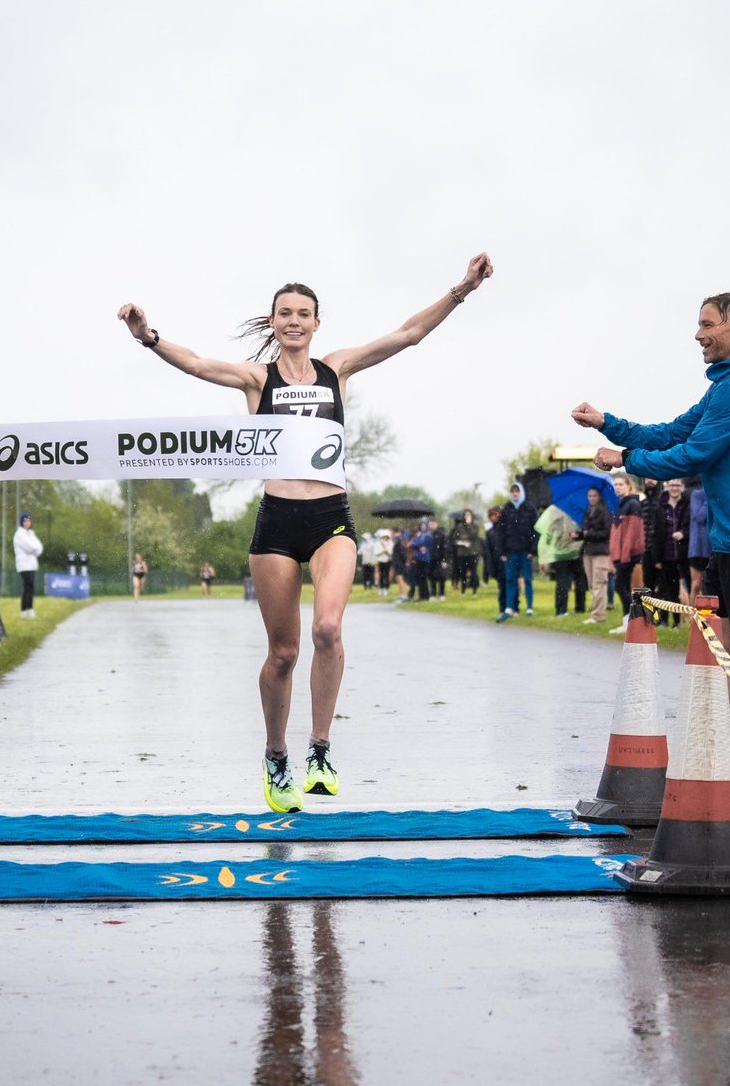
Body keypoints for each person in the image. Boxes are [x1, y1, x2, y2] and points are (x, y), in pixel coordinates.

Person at [118, 251, 494, 812]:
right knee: (284, 652)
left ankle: (320, 749)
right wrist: (148, 336)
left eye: (304, 313)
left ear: (317, 323)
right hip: (276, 522)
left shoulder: (336, 370)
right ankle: (276, 756)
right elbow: (196, 363)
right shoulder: (256, 379)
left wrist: (462, 288)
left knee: (328, 628)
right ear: (272, 322)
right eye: (284, 312)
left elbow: (409, 334)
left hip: (331, 519)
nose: (294, 320)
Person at [571, 289, 730, 801]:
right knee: (721, 653)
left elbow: (693, 454)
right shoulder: (724, 388)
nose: (698, 334)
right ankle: (713, 766)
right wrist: (608, 422)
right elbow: (669, 433)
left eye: (707, 324)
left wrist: (623, 456)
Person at [608, 473, 645, 635]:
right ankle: (630, 621)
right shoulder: (622, 504)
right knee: (622, 586)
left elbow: (632, 533)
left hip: (627, 555)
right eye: (615, 485)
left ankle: (630, 621)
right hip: (620, 554)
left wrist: (624, 556)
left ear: (629, 486)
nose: (617, 487)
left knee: (620, 586)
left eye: (620, 484)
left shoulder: (632, 504)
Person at [495, 483, 538, 621]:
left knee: (528, 579)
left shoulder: (529, 509)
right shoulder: (506, 509)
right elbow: (500, 532)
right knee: (510, 580)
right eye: (512, 491)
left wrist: (533, 549)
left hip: (526, 551)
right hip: (510, 551)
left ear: (521, 492)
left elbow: (535, 531)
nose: (515, 494)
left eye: (517, 491)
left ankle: (530, 607)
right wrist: (501, 552)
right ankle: (509, 607)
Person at [534, 504, 585, 617]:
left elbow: (548, 532)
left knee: (563, 582)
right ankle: (579, 609)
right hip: (576, 550)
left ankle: (561, 610)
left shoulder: (554, 510)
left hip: (561, 551)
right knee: (579, 580)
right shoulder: (578, 507)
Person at [651, 479, 690, 626]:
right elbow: (655, 533)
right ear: (667, 487)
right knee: (667, 590)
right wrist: (656, 559)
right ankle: (666, 620)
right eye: (672, 485)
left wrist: (683, 534)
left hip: (684, 554)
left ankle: (682, 621)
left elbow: (691, 526)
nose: (674, 488)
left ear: (683, 487)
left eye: (678, 485)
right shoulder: (660, 507)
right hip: (666, 554)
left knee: (687, 589)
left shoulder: (687, 506)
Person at [575, 486, 612, 624]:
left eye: (594, 496)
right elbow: (585, 530)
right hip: (588, 551)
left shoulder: (605, 512)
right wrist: (577, 535)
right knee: (591, 584)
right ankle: (596, 613)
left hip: (600, 552)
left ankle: (599, 615)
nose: (592, 498)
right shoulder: (588, 511)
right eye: (589, 496)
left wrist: (587, 534)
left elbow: (606, 533)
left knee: (599, 584)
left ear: (599, 496)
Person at [13, 512, 43, 619]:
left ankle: (26, 611)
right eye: (25, 521)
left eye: (29, 521)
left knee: (29, 587)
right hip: (23, 565)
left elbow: (39, 548)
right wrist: (34, 550)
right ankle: (27, 610)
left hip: (31, 565)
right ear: (22, 522)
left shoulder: (31, 534)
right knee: (29, 586)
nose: (27, 523)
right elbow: (29, 547)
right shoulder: (19, 534)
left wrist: (35, 550)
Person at [688, 482, 711, 607]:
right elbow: (700, 516)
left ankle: (708, 616)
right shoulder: (697, 494)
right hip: (697, 548)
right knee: (696, 584)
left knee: (710, 586)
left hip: (712, 548)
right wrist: (710, 498)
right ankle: (693, 618)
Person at [451, 509, 482, 594]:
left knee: (473, 572)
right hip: (462, 553)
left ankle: (474, 591)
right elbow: (454, 538)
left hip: (472, 552)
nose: (467, 517)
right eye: (466, 515)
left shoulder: (475, 526)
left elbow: (473, 536)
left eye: (469, 515)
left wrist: (469, 526)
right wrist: (461, 541)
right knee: (463, 572)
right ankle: (463, 591)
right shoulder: (459, 527)